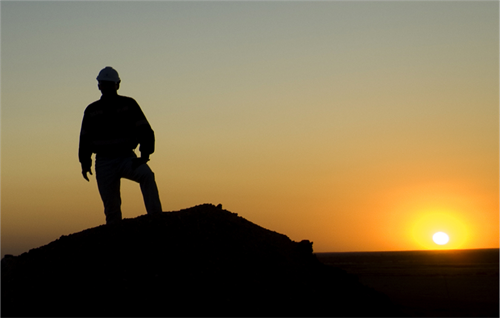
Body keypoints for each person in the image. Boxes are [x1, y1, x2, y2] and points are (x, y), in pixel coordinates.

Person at [79, 66, 162, 224]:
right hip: (104, 162)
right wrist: (85, 162)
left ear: (118, 84)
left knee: (147, 176)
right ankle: (115, 238)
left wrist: (145, 155)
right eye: (104, 84)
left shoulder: (129, 104)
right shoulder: (92, 110)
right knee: (112, 207)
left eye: (110, 84)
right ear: (99, 85)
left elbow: (145, 130)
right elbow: (85, 139)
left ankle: (157, 218)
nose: (107, 87)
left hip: (126, 158)